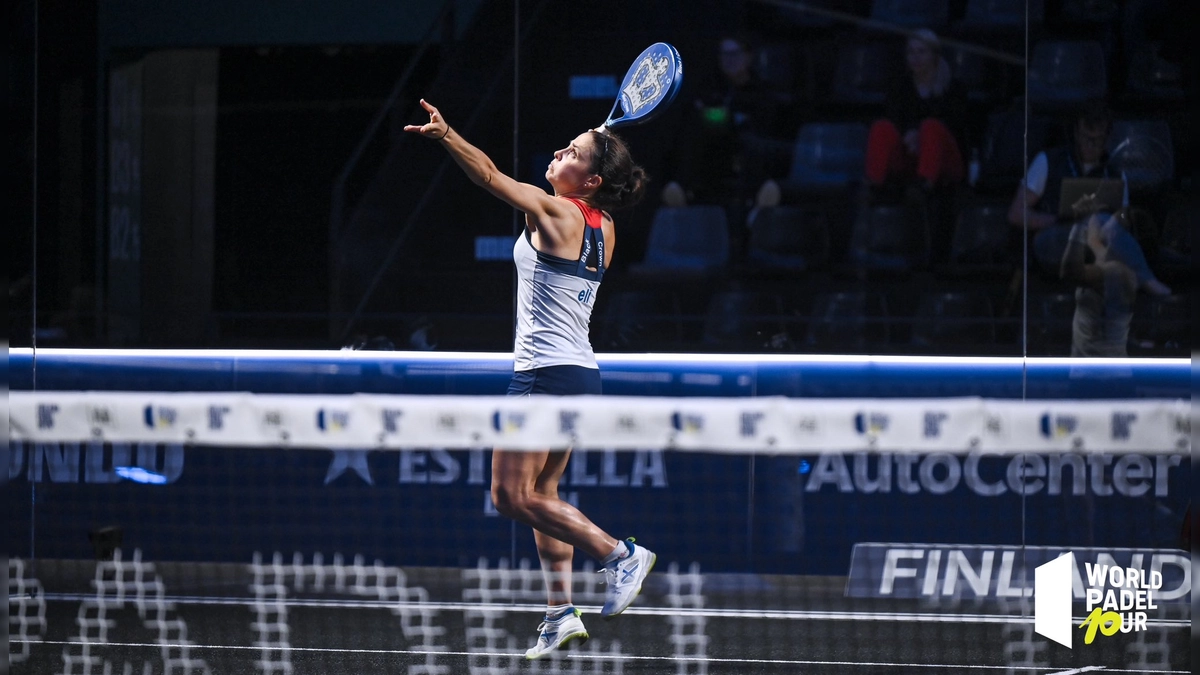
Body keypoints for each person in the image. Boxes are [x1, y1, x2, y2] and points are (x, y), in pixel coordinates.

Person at [404, 99, 656, 660]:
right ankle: (559, 613)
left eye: (574, 153)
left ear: (590, 180)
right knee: (542, 494)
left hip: (544, 376)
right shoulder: (604, 225)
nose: (560, 152)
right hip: (579, 373)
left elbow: (490, 176)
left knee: (509, 495)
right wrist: (596, 146)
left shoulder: (555, 212)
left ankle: (619, 554)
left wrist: (447, 135)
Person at [1007, 99, 1171, 296]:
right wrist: (1057, 219)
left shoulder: (1116, 175)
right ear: (1077, 133)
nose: (1092, 146)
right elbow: (1016, 214)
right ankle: (1145, 279)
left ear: (1107, 138)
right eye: (1087, 138)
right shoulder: (1048, 161)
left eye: (1098, 140)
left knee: (1103, 226)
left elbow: (1123, 226)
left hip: (1097, 247)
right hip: (1054, 240)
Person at [865, 29, 968, 193]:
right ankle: (873, 186)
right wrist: (910, 134)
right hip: (909, 154)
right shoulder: (899, 87)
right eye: (911, 52)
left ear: (934, 55)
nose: (915, 57)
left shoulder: (954, 88)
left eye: (921, 51)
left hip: (943, 158)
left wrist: (920, 136)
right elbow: (895, 119)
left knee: (931, 127)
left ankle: (925, 185)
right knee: (881, 127)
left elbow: (956, 127)